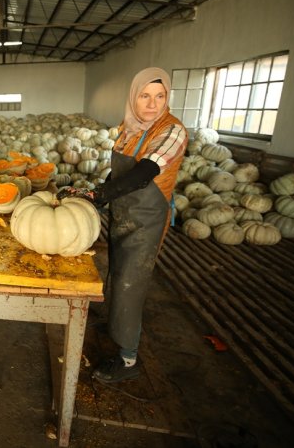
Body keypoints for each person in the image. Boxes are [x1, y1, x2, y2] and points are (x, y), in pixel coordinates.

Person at [58, 67, 188, 383]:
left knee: (132, 283)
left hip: (146, 220)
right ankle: (117, 325)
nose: (153, 104)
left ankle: (129, 359)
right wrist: (96, 192)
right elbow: (120, 175)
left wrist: (100, 195)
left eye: (160, 96)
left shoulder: (173, 131)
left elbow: (144, 172)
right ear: (133, 97)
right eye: (145, 95)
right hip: (122, 212)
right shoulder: (129, 128)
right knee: (117, 272)